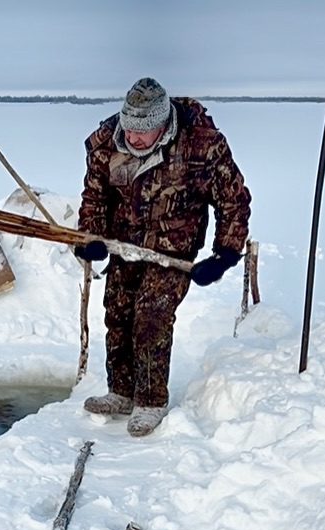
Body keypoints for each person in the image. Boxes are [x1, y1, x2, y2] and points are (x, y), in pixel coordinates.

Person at [75, 77, 251, 437]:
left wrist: (224, 254)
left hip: (173, 249)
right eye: (129, 129)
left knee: (151, 317)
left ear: (163, 123)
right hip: (125, 246)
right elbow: (95, 197)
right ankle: (122, 392)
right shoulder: (106, 143)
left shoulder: (203, 144)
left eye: (143, 132)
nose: (134, 138)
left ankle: (151, 401)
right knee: (118, 312)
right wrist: (90, 237)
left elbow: (233, 201)